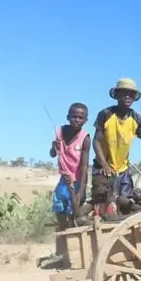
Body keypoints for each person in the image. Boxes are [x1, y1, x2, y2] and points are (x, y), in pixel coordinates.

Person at [91, 78, 141, 216]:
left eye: (131, 94)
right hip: (103, 168)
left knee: (126, 203)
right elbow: (96, 142)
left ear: (134, 98)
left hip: (123, 169)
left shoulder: (137, 119)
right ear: (117, 95)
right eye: (124, 93)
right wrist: (104, 165)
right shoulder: (105, 115)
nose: (128, 96)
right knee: (103, 205)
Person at [40, 103, 91, 269]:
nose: (76, 120)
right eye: (74, 116)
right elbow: (52, 153)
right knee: (59, 209)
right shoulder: (60, 132)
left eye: (80, 117)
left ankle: (71, 252)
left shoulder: (85, 138)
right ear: (68, 117)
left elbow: (84, 166)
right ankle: (62, 250)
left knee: (73, 214)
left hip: (77, 180)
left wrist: (81, 189)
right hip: (63, 179)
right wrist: (53, 147)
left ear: (85, 120)